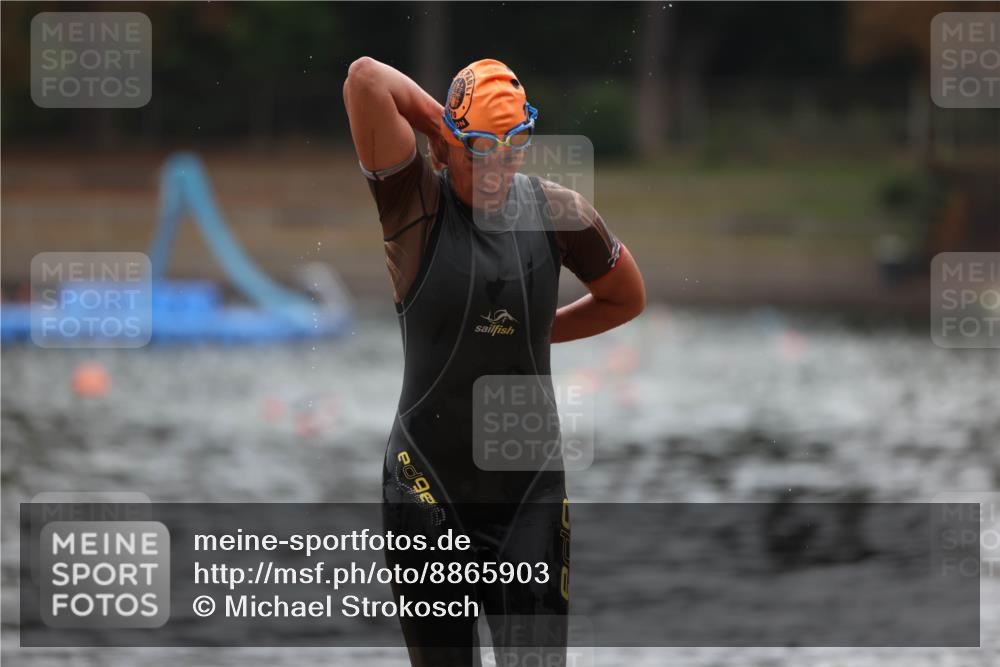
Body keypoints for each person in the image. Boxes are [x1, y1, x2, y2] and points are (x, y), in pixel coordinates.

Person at [343, 57, 645, 666]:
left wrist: (535, 336)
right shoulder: (412, 205)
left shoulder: (561, 214)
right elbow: (364, 80)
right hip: (426, 488)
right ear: (450, 143)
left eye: (515, 147)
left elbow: (625, 297)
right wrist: (436, 123)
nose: (499, 166)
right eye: (482, 147)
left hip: (528, 496)